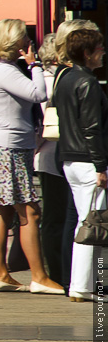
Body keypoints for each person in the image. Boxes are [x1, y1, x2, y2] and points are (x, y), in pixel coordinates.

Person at [0, 18, 62, 295]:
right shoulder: (5, 70)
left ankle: (1, 273)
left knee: (3, 211)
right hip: (6, 149)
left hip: (6, 147)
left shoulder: (2, 70)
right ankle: (38, 276)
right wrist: (35, 64)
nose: (28, 43)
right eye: (23, 39)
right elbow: (39, 93)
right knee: (30, 213)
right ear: (12, 43)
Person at [54, 27, 108, 302]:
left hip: (70, 158)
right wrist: (101, 166)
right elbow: (92, 127)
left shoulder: (65, 78)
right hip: (88, 161)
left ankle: (81, 284)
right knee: (92, 224)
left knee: (84, 222)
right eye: (99, 48)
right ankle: (83, 286)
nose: (103, 53)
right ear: (87, 53)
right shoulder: (86, 82)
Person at [33, 33, 66, 286]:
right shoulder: (49, 80)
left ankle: (58, 268)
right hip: (50, 155)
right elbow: (43, 123)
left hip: (50, 155)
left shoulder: (57, 78)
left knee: (57, 215)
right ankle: (56, 270)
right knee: (55, 216)